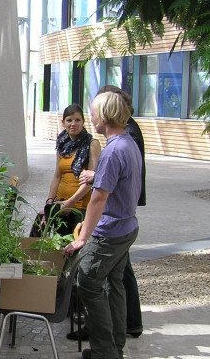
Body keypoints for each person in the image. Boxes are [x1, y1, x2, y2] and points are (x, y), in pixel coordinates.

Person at [63, 91, 143, 359]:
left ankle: (104, 352)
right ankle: (114, 348)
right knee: (114, 284)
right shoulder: (128, 143)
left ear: (105, 116)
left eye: (94, 112)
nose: (91, 118)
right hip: (127, 227)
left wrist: (83, 238)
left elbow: (98, 198)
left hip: (110, 232)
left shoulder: (112, 150)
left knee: (87, 281)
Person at [40, 104, 101, 236]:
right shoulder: (61, 145)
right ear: (63, 123)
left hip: (80, 208)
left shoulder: (92, 144)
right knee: (58, 248)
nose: (73, 124)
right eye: (69, 120)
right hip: (60, 205)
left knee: (73, 250)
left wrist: (71, 202)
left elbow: (92, 180)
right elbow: (57, 176)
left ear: (83, 122)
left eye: (77, 120)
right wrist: (50, 203)